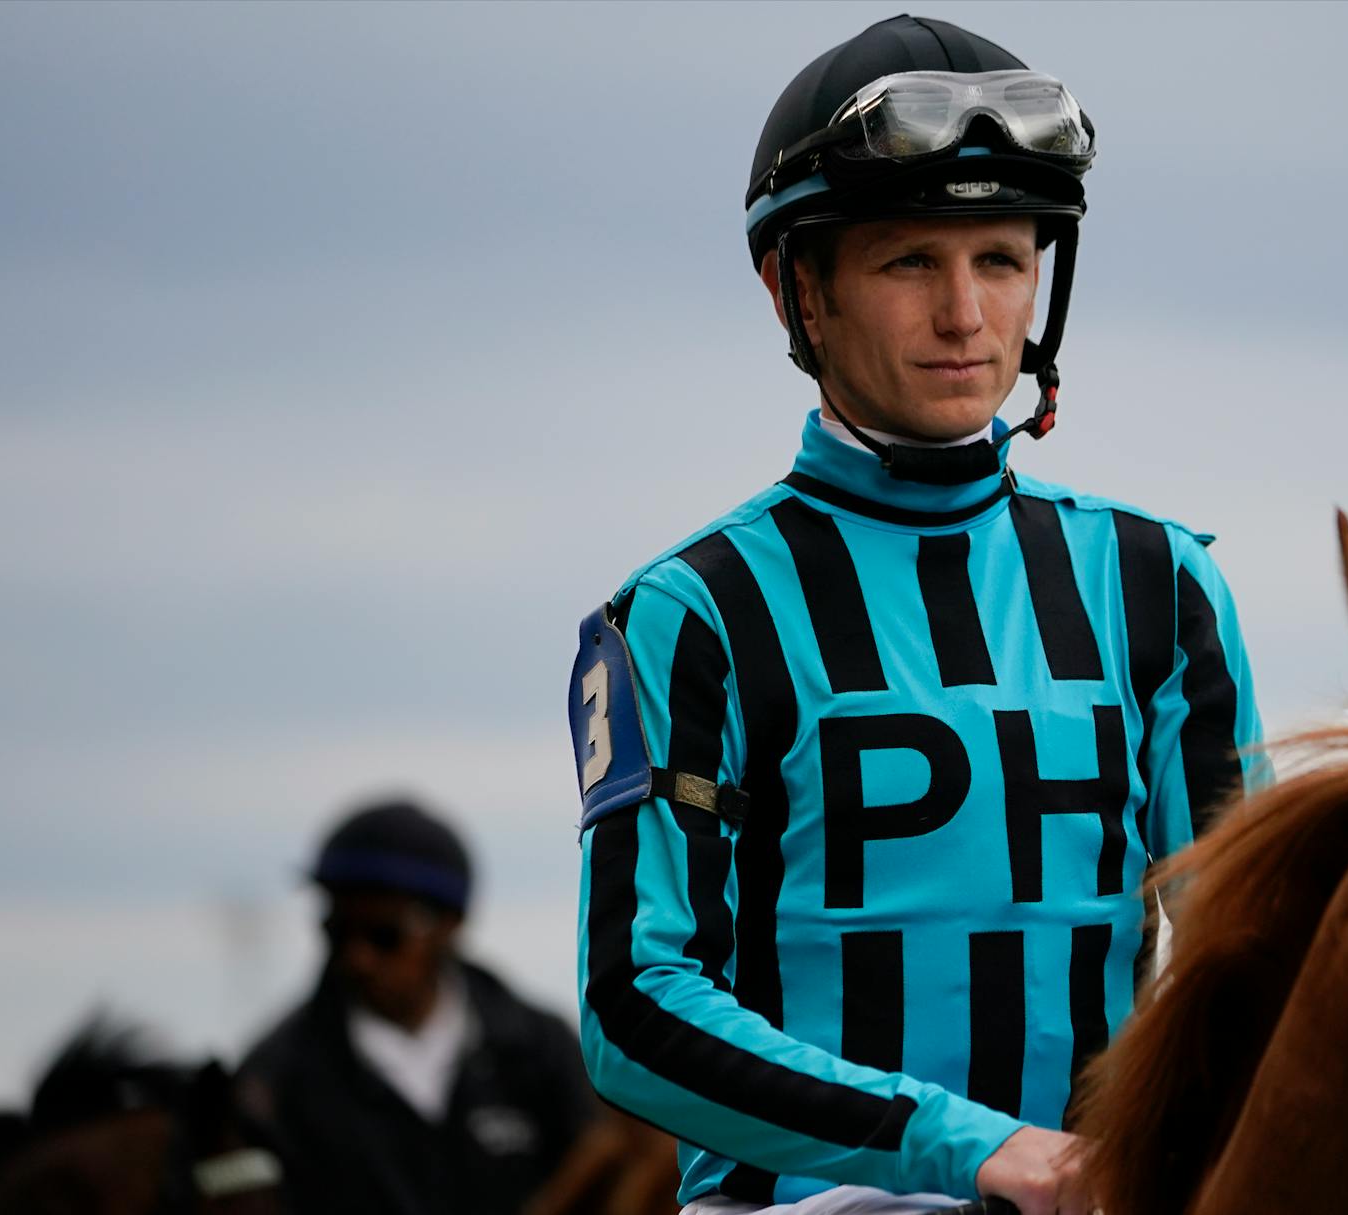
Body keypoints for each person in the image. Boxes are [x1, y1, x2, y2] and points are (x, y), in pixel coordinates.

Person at [565, 15, 1267, 1215]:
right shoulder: (690, 613)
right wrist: (976, 1149)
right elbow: (631, 1005)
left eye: (1001, 260)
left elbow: (1246, 959)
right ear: (800, 290)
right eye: (910, 264)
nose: (967, 318)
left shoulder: (1162, 580)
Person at [239, 799, 604, 1215]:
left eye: (384, 935)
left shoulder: (542, 1051)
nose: (358, 957)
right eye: (339, 932)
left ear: (449, 925)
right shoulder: (271, 1081)